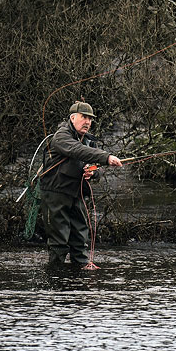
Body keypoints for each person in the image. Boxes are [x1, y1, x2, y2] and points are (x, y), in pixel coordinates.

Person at [39, 101, 123, 267]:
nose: (87, 122)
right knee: (59, 241)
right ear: (72, 118)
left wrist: (93, 172)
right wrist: (106, 157)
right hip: (55, 193)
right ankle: (56, 279)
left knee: (80, 240)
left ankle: (80, 282)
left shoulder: (90, 142)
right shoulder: (61, 136)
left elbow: (97, 170)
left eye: (90, 119)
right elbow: (77, 150)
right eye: (84, 117)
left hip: (77, 195)